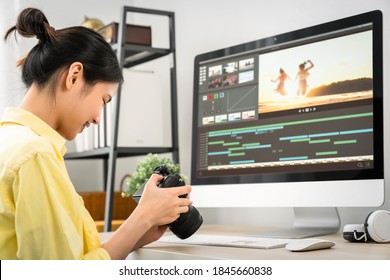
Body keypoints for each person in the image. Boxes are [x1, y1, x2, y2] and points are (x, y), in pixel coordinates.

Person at [0, 8, 192, 260]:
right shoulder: (36, 155)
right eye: (103, 99)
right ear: (74, 76)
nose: (98, 118)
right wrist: (142, 216)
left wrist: (138, 230)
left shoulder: (12, 141)